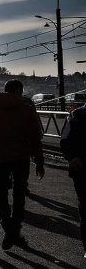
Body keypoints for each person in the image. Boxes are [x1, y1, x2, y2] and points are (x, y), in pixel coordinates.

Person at [0, 79, 45, 250]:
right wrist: (39, 161)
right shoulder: (27, 109)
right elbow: (35, 138)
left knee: (0, 193)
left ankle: (8, 227)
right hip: (20, 158)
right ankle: (14, 229)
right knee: (19, 193)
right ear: (18, 91)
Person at [60, 103, 86, 258]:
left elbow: (64, 139)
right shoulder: (75, 116)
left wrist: (72, 157)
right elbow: (65, 140)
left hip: (81, 169)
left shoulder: (75, 115)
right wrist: (72, 157)